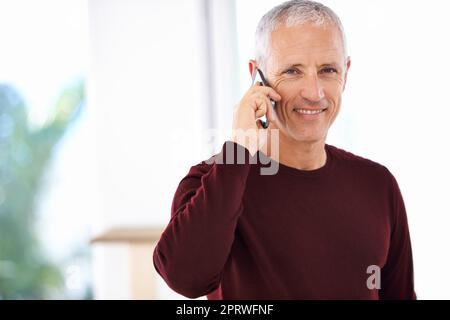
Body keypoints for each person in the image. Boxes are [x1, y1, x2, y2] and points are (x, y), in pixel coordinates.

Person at [153, 0, 416, 299]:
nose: (314, 93)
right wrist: (238, 149)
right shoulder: (213, 180)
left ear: (346, 73)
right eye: (292, 71)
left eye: (328, 69)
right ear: (257, 77)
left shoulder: (378, 185)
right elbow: (185, 279)